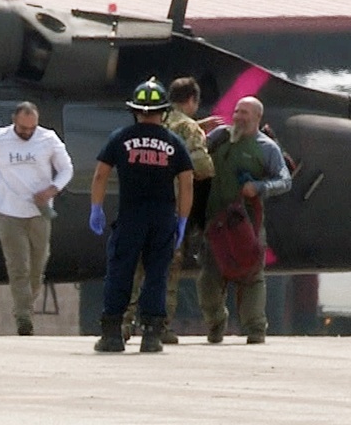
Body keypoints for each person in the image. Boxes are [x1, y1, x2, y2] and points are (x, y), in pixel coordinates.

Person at [90, 78, 194, 353]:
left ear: (135, 111)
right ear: (164, 112)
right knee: (157, 274)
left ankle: (112, 334)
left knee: (121, 271)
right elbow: (186, 183)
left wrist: (96, 208)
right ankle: (151, 336)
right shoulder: (175, 143)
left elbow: (101, 174)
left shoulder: (120, 138)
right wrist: (182, 220)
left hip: (131, 215)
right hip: (162, 218)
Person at [123, 76, 215, 344]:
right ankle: (158, 327)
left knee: (133, 269)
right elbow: (203, 169)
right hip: (169, 210)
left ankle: (123, 323)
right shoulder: (188, 129)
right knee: (165, 272)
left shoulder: (147, 121)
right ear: (192, 100)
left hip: (135, 207)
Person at [196, 96, 291, 345]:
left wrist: (258, 187)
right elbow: (194, 151)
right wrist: (197, 130)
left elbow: (285, 180)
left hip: (246, 223)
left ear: (258, 117)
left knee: (251, 275)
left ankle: (255, 329)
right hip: (214, 222)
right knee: (209, 278)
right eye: (236, 111)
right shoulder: (220, 137)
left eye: (245, 113)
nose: (238, 116)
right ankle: (216, 323)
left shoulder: (267, 148)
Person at [0, 102, 73, 336]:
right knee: (18, 266)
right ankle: (23, 316)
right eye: (22, 128)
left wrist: (52, 190)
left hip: (39, 212)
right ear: (14, 121)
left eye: (31, 128)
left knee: (38, 266)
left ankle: (27, 303)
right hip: (8, 212)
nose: (27, 133)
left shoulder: (48, 139)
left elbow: (67, 168)